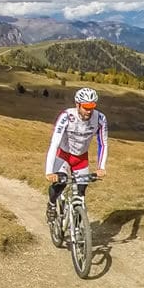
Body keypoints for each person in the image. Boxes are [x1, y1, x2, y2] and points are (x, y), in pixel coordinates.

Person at [45, 87, 108, 222]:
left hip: (81, 159)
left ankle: (80, 230)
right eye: (86, 107)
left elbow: (103, 143)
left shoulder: (100, 119)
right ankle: (51, 204)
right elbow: (54, 144)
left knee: (81, 192)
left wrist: (101, 167)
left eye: (92, 107)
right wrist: (49, 172)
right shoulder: (66, 116)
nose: (89, 111)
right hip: (63, 156)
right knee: (60, 184)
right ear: (77, 104)